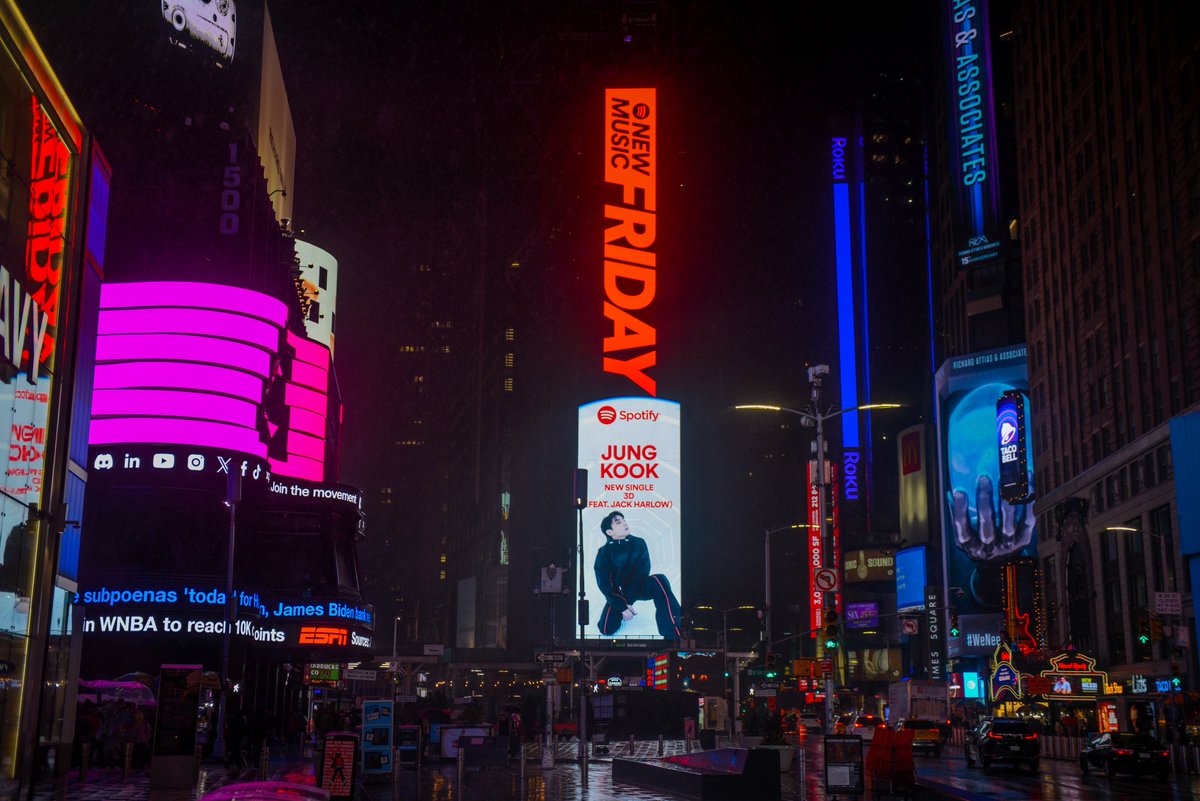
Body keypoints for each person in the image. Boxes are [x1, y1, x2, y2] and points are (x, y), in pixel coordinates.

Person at [593, 512, 682, 638]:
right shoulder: (604, 552)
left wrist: (628, 599)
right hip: (618, 594)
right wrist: (623, 606)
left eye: (624, 520)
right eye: (619, 522)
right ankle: (621, 613)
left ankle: (674, 632)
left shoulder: (639, 543)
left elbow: (643, 571)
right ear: (609, 532)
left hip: (639, 586)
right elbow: (604, 584)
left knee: (659, 580)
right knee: (606, 629)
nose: (624, 523)